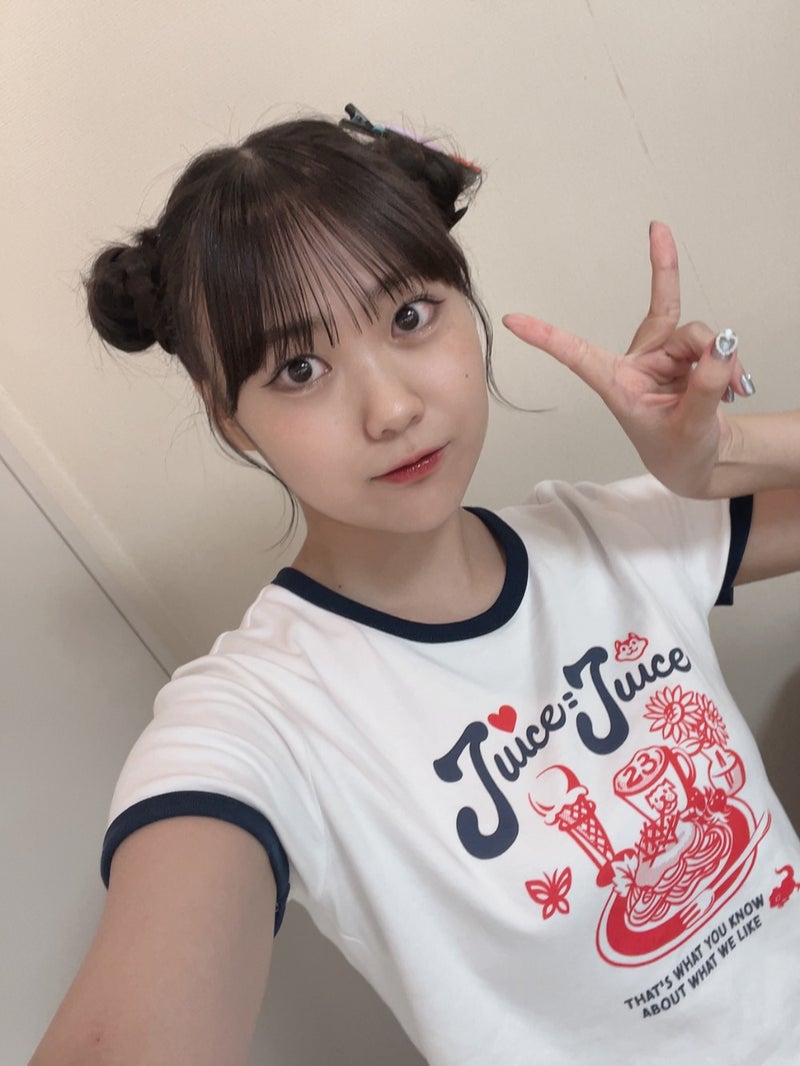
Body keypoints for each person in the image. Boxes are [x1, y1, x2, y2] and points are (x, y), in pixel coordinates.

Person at [31, 108, 800, 1066]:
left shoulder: (616, 535)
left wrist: (728, 454)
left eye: (408, 317)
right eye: (299, 368)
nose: (392, 408)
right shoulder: (259, 719)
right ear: (227, 415)